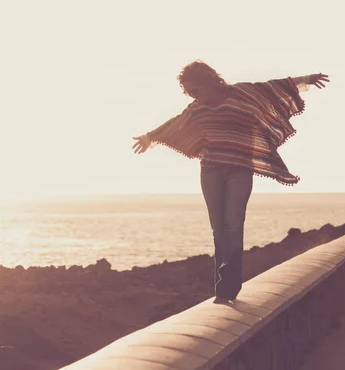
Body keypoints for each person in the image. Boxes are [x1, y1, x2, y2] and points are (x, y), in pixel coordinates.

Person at [132, 61, 330, 304]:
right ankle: (221, 288)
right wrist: (149, 137)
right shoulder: (196, 108)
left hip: (239, 172)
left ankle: (228, 288)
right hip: (211, 173)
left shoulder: (243, 94)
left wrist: (307, 78)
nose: (194, 96)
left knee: (233, 227)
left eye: (196, 90)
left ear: (209, 82)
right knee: (219, 230)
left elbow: (274, 87)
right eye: (189, 92)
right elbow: (174, 124)